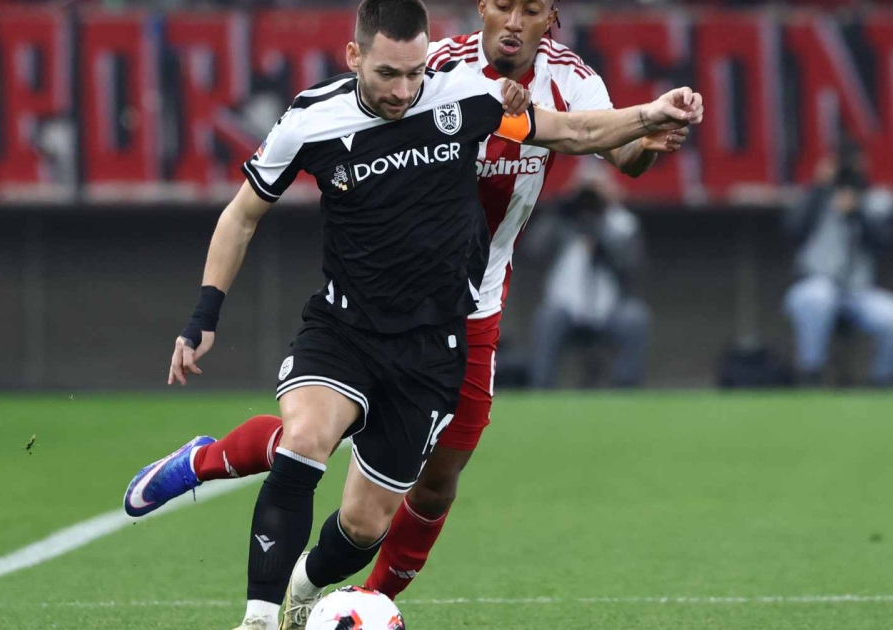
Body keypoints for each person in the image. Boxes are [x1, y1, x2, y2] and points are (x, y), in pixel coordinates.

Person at [122, 1, 702, 629]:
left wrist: (651, 117)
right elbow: (241, 214)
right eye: (388, 74)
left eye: (412, 75)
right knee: (306, 442)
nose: (403, 90)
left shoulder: (478, 94)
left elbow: (586, 136)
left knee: (395, 504)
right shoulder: (340, 107)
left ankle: (321, 591)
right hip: (351, 322)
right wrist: (204, 314)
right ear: (355, 57)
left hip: (452, 322)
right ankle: (263, 613)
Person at [783, 147, 893, 387]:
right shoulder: (814, 197)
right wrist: (819, 187)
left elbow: (887, 242)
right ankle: (811, 372)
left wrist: (857, 211)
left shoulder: (877, 200)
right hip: (813, 284)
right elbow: (792, 230)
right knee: (819, 296)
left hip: (858, 292)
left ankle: (883, 379)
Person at [527, 183, 649, 389]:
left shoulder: (622, 224)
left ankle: (626, 388)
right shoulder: (563, 224)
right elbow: (533, 249)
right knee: (547, 317)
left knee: (636, 316)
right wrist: (556, 212)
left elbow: (631, 264)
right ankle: (542, 387)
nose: (588, 209)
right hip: (566, 311)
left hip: (610, 310)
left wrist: (601, 235)